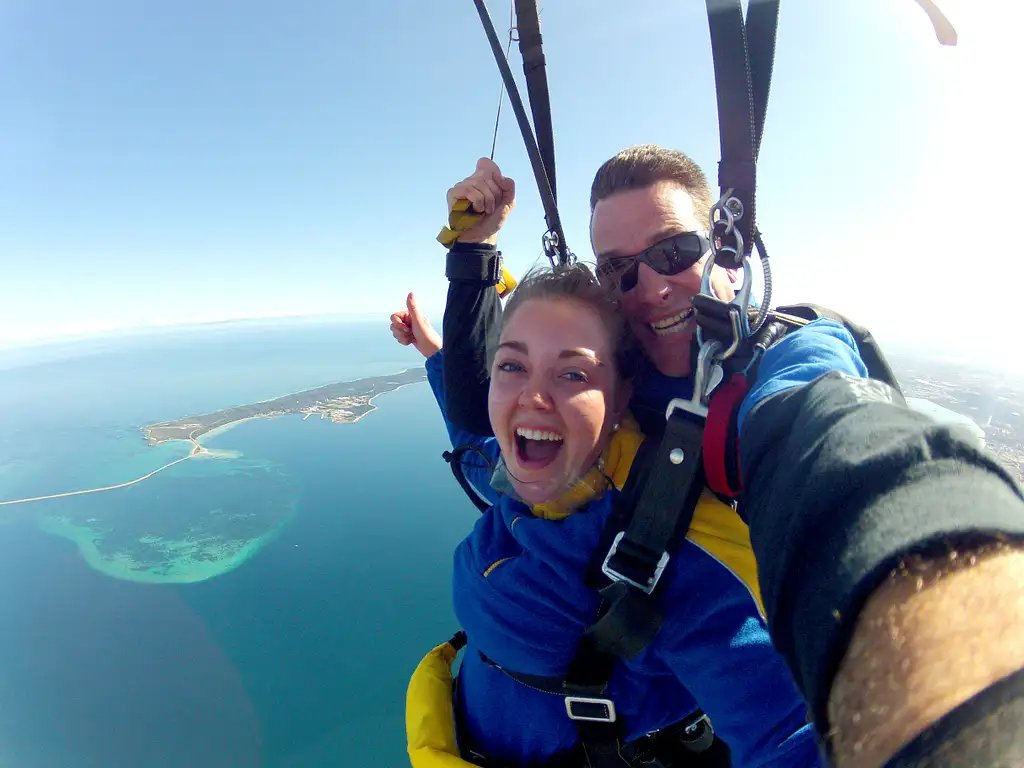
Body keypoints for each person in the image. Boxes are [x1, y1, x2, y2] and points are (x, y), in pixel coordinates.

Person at [426, 147, 1024, 766]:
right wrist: (470, 261)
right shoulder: (599, 402)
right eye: (618, 270)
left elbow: (832, 441)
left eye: (675, 253)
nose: (652, 288)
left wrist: (964, 615)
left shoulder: (778, 367)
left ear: (728, 252)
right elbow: (487, 438)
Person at [393, 264, 829, 767]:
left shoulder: (674, 545)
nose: (530, 398)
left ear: (622, 397)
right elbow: (473, 439)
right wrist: (434, 353)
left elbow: (796, 735)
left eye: (573, 374)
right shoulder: (522, 479)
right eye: (512, 367)